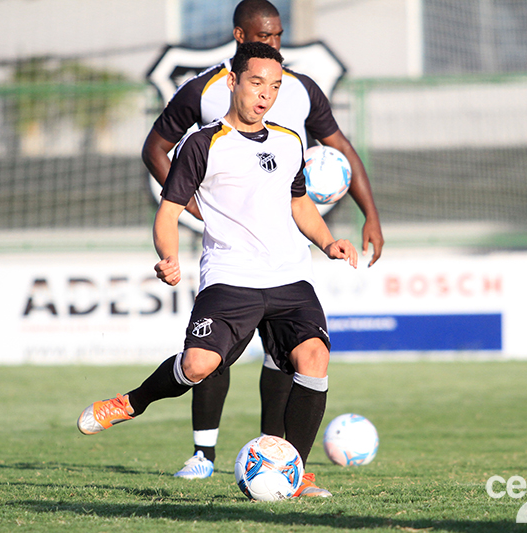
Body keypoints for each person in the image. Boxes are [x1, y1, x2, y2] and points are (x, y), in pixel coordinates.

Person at [79, 41, 358, 498]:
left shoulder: (290, 142)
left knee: (314, 359)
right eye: (255, 83)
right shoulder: (202, 143)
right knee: (197, 365)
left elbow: (299, 201)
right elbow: (168, 213)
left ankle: (298, 473)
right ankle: (130, 403)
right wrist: (168, 257)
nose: (264, 95)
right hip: (231, 277)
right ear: (233, 82)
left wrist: (327, 242)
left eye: (274, 86)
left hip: (289, 277)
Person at [142, 0, 384, 480]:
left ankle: (284, 463)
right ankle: (203, 453)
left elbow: (339, 149)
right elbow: (155, 149)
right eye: (265, 37)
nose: (274, 45)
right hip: (228, 249)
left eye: (278, 36)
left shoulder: (298, 91)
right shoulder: (203, 92)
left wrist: (368, 215)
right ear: (239, 37)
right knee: (212, 355)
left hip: (285, 252)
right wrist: (194, 206)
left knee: (288, 356)